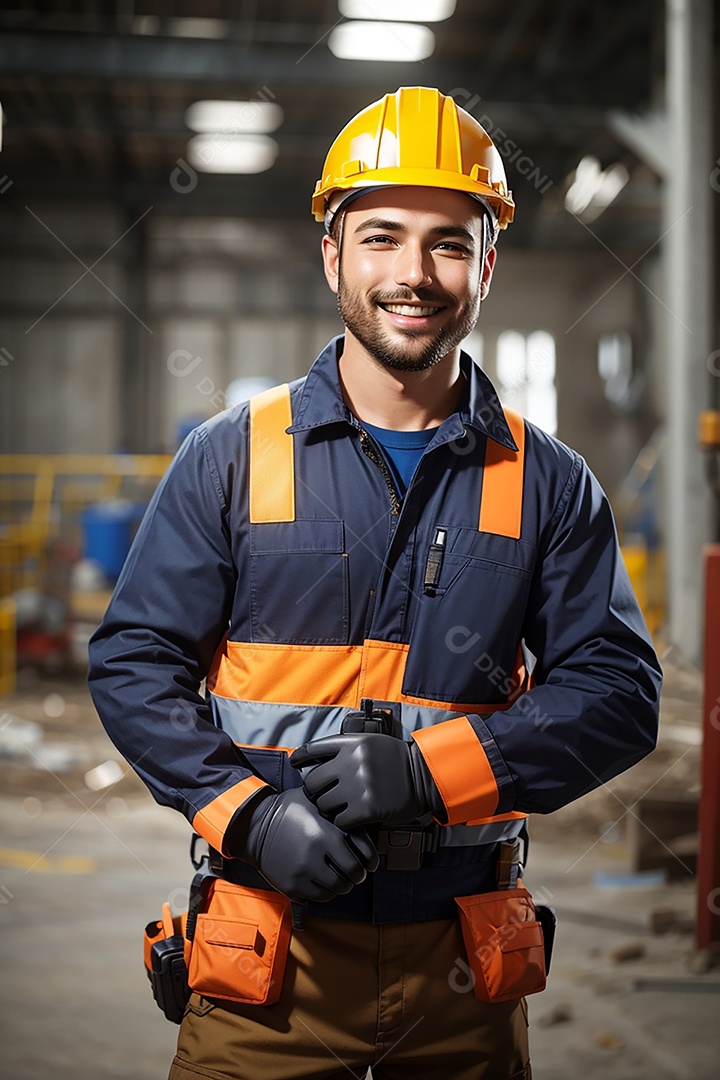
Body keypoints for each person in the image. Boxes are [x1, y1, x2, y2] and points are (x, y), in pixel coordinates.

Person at [88, 87, 662, 1080]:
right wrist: (248, 815)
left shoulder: (549, 481)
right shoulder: (231, 457)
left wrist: (437, 774)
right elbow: (135, 661)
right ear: (333, 254)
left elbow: (619, 695)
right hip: (268, 957)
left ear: (487, 262)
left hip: (460, 965)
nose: (413, 273)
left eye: (449, 242)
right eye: (383, 236)